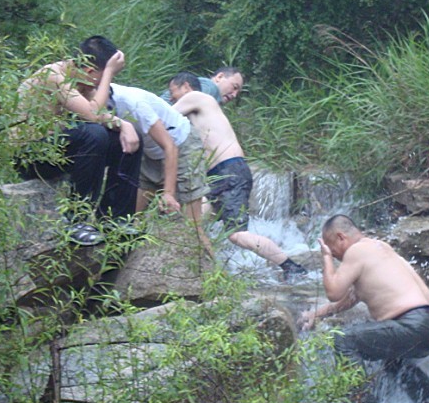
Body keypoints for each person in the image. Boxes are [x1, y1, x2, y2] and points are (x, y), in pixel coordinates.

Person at [299, 214, 429, 403]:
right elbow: (349, 298)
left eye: (334, 250)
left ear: (341, 237)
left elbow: (333, 292)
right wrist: (316, 314)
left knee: (344, 339)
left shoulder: (355, 251)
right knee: (387, 353)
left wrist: (324, 258)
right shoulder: (379, 248)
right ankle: (425, 391)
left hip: (412, 325)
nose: (336, 257)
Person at [166, 72, 308, 281]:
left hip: (229, 171)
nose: (171, 97)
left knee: (236, 234)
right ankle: (215, 275)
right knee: (193, 222)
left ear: (185, 87)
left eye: (173, 92)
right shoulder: (202, 109)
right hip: (220, 174)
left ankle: (292, 267)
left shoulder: (197, 97)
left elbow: (162, 116)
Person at [15, 35, 141, 244]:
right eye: (102, 80)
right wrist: (109, 72)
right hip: (29, 157)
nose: (101, 87)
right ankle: (76, 221)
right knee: (93, 133)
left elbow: (99, 114)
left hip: (56, 151)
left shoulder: (82, 79)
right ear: (90, 71)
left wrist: (125, 125)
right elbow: (93, 115)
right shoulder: (54, 75)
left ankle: (115, 218)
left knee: (126, 137)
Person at [100, 81, 212, 252]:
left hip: (181, 145)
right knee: (130, 217)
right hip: (150, 152)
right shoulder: (89, 94)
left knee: (192, 227)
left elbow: (170, 147)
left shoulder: (134, 103)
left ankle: (212, 274)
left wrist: (168, 194)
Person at [159, 66, 244, 106]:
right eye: (234, 87)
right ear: (219, 77)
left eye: (237, 93)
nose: (234, 95)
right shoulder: (211, 87)